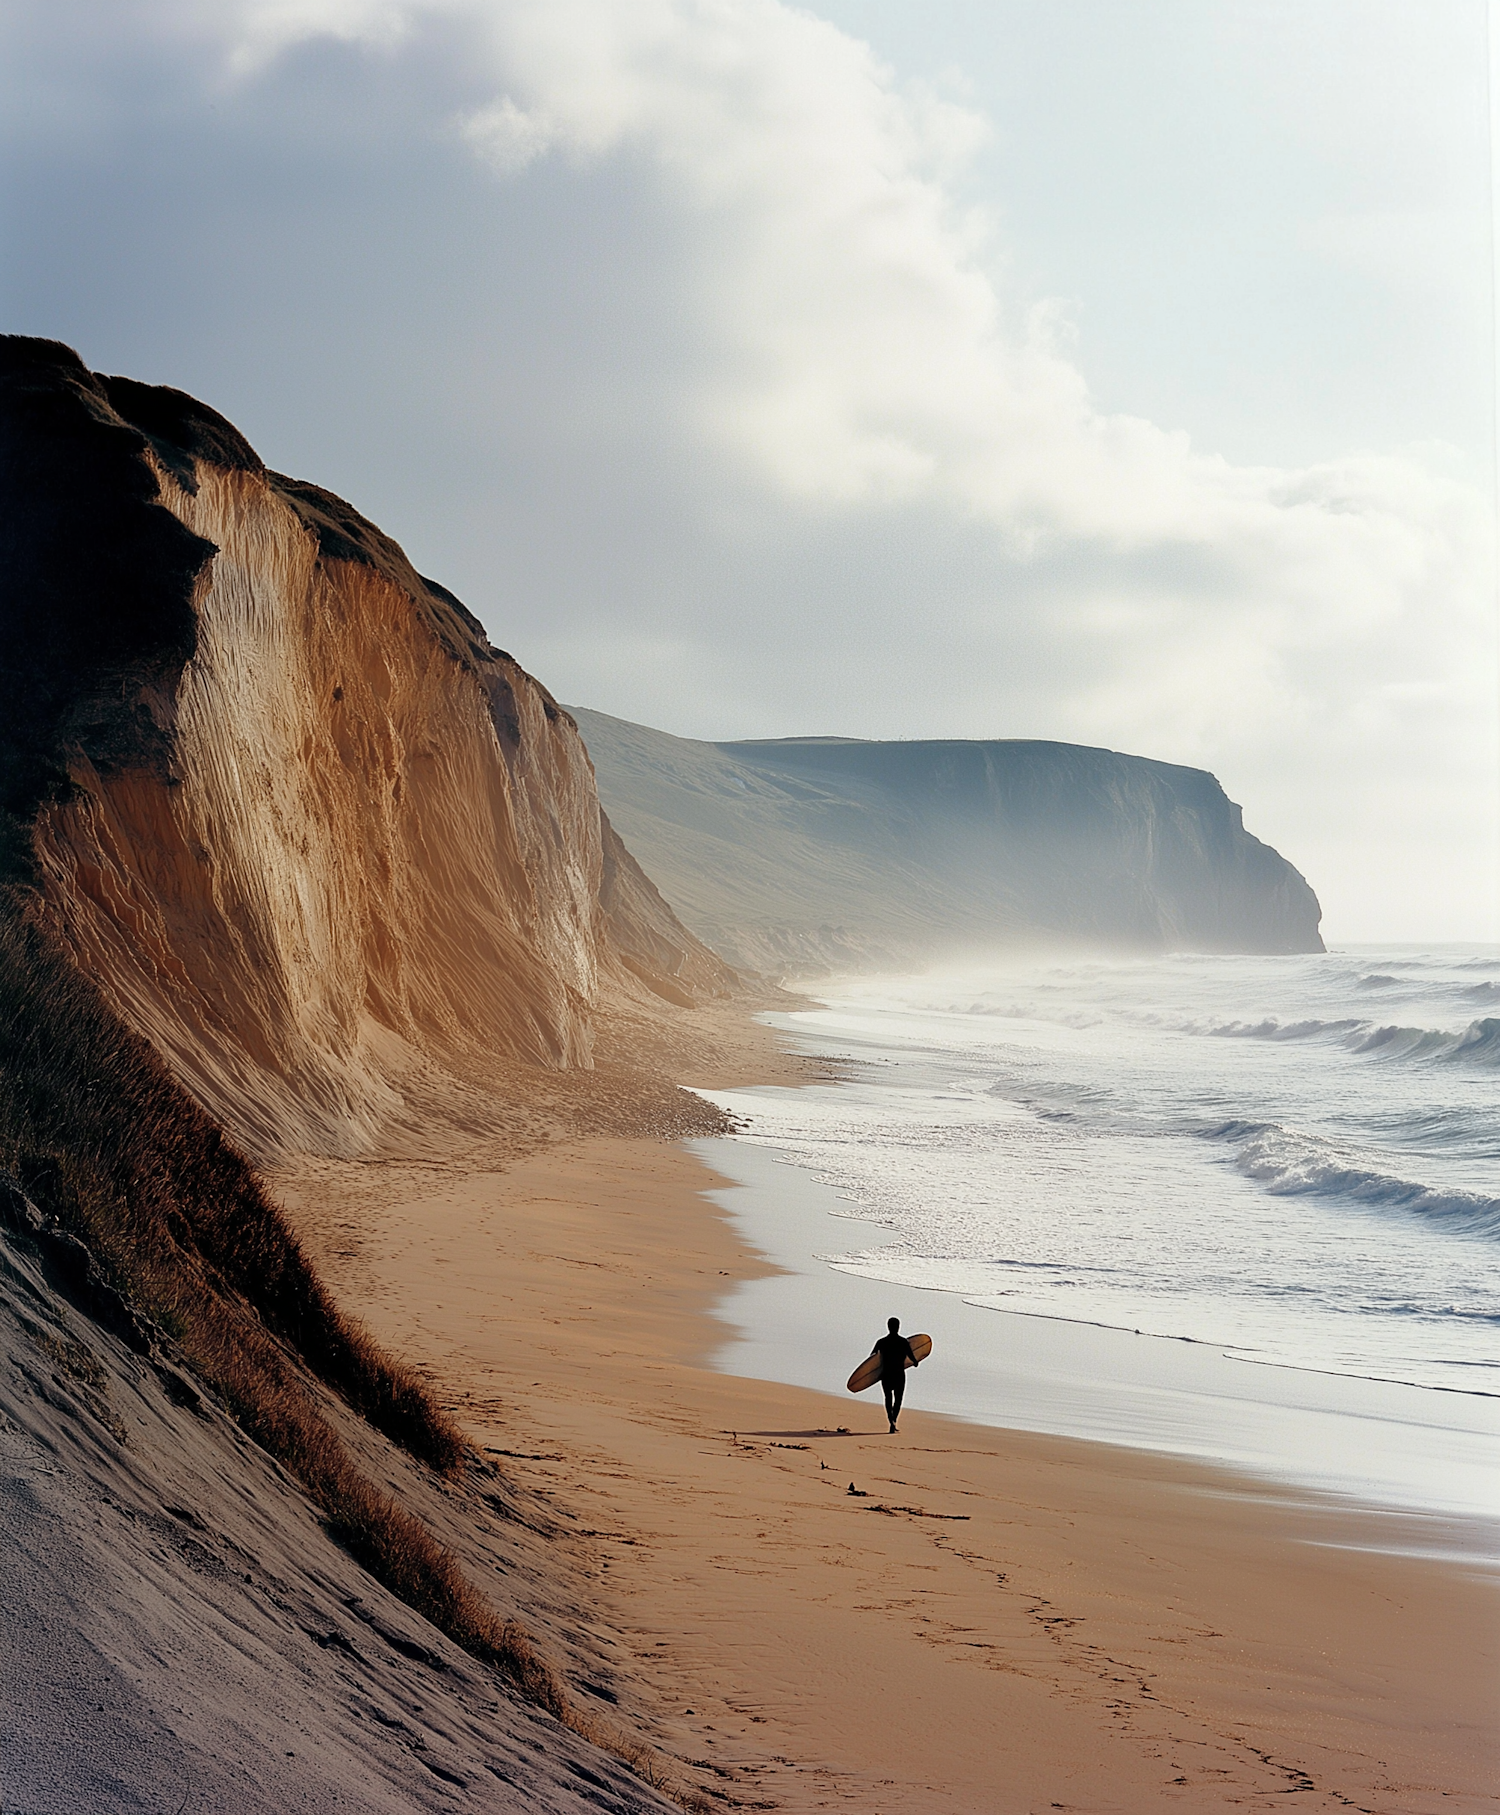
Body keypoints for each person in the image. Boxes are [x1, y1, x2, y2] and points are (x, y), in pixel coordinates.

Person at [870, 1316, 918, 1433]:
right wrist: (915, 1362)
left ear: (888, 1327)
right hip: (898, 1373)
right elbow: (912, 1357)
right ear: (898, 1327)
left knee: (888, 1397)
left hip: (886, 1374)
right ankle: (894, 1420)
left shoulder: (881, 1342)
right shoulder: (903, 1342)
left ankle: (890, 1419)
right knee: (898, 1399)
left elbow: (872, 1359)